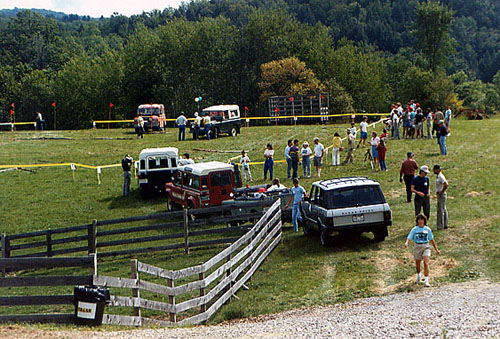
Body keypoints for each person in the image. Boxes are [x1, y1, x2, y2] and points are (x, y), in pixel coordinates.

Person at [404, 214, 440, 287]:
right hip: (417, 246)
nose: (420, 221)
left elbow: (431, 240)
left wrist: (436, 249)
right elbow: (409, 237)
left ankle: (426, 280)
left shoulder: (427, 229)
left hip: (426, 246)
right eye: (419, 219)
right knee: (418, 264)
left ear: (424, 221)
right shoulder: (414, 229)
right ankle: (418, 274)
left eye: (422, 219)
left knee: (426, 263)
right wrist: (407, 243)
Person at [433, 165, 449, 230]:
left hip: (441, 194)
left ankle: (440, 226)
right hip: (441, 194)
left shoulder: (440, 176)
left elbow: (446, 184)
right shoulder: (439, 176)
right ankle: (445, 224)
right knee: (443, 209)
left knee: (440, 210)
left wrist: (442, 191)